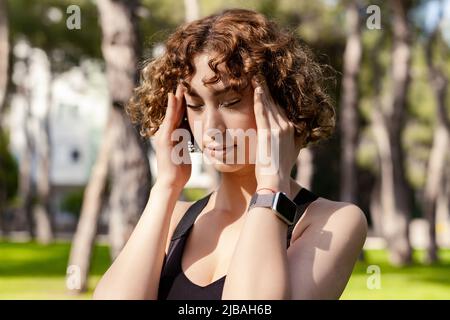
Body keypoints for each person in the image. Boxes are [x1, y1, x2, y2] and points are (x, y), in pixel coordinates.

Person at [93, 8, 367, 300]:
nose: (210, 127)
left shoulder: (333, 221)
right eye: (195, 105)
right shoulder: (175, 217)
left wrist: (272, 188)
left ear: (282, 104)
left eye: (231, 102)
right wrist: (166, 186)